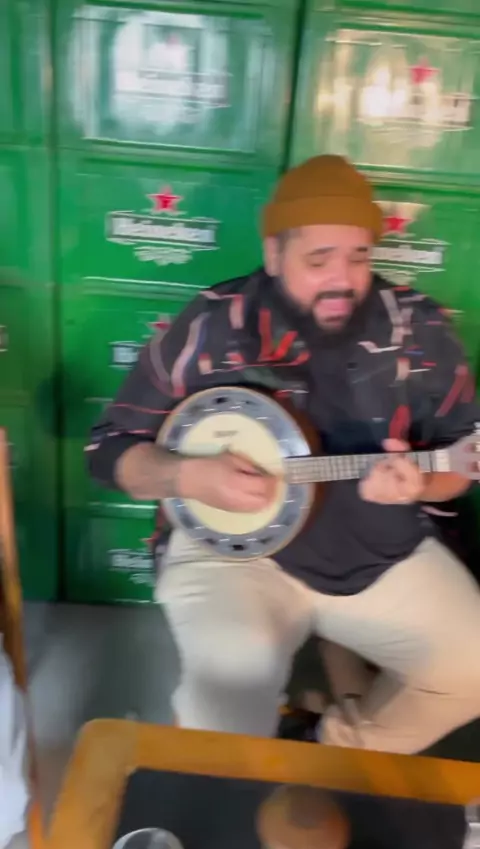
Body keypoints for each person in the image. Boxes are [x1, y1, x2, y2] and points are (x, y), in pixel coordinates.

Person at [86, 155, 480, 753]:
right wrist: (185, 475)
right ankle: (234, 782)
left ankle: (335, 748)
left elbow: (461, 457)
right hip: (230, 554)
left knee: (471, 668)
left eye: (359, 257)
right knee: (226, 695)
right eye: (318, 260)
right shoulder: (210, 327)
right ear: (273, 254)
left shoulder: (419, 330)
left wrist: (421, 484)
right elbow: (108, 451)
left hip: (376, 549)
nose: (342, 281)